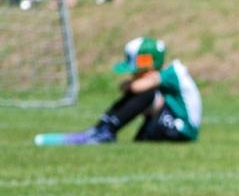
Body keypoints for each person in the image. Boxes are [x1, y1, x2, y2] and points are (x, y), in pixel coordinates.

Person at [38, 37, 201, 145]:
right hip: (169, 121)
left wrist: (131, 84)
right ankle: (102, 128)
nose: (133, 74)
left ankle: (106, 130)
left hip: (181, 128)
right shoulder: (166, 74)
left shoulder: (172, 73)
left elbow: (137, 87)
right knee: (140, 140)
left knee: (148, 94)